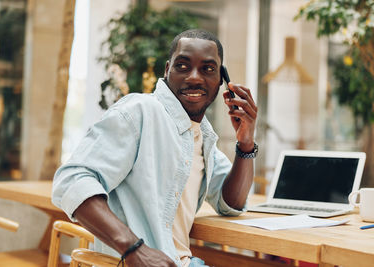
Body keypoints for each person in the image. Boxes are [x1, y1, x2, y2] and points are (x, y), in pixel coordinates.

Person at [52, 29, 258, 267]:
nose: (194, 77)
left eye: (208, 69)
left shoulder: (202, 136)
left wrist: (246, 142)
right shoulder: (139, 111)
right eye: (183, 66)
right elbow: (71, 180)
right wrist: (133, 249)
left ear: (222, 80)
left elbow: (230, 203)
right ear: (167, 70)